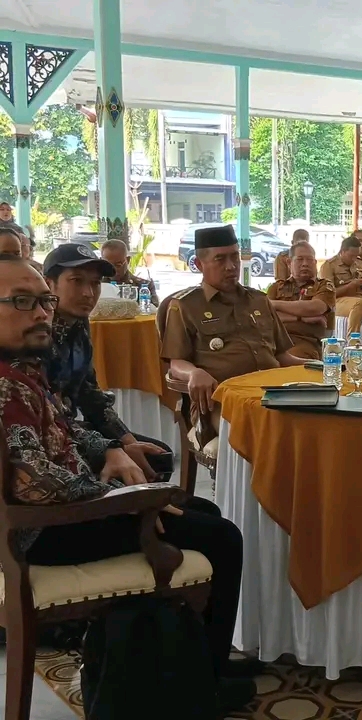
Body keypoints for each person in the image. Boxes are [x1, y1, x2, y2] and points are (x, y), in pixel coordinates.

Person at [0, 255, 257, 712]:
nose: (40, 313)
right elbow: (34, 481)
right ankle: (209, 680)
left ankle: (196, 665)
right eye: (22, 301)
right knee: (222, 536)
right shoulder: (5, 385)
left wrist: (113, 449)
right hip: (43, 530)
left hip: (60, 514)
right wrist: (128, 500)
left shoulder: (22, 367)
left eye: (44, 301)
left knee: (201, 511)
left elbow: (67, 424)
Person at [43, 244, 171, 481]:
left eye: (95, 283)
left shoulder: (79, 324)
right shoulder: (36, 332)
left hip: (72, 429)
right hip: (47, 438)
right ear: (49, 284)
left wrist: (127, 441)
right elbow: (49, 416)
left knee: (158, 456)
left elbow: (90, 393)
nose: (88, 293)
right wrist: (109, 448)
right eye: (76, 281)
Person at [161, 225, 304, 432]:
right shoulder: (185, 306)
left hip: (274, 394)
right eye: (220, 259)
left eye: (235, 257)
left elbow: (283, 357)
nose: (231, 266)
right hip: (221, 400)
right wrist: (193, 373)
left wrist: (323, 365)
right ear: (200, 264)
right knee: (263, 431)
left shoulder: (258, 300)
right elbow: (176, 362)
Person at [267, 241, 335, 359]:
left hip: (306, 342)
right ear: (289, 262)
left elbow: (315, 308)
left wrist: (275, 305)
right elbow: (266, 315)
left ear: (315, 263)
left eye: (309, 260)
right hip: (274, 341)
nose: (305, 264)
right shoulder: (276, 288)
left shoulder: (323, 286)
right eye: (300, 259)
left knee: (286, 360)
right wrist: (301, 318)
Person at [319, 235, 362, 336]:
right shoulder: (329, 265)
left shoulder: (359, 263)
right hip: (337, 301)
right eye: (351, 256)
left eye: (356, 256)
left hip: (360, 297)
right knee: (360, 304)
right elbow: (327, 295)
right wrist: (350, 286)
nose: (354, 259)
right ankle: (352, 338)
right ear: (342, 251)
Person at [100, 238, 159, 306]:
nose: (113, 269)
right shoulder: (96, 286)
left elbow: (153, 309)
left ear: (128, 260)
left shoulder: (144, 286)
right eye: (108, 265)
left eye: (118, 265)